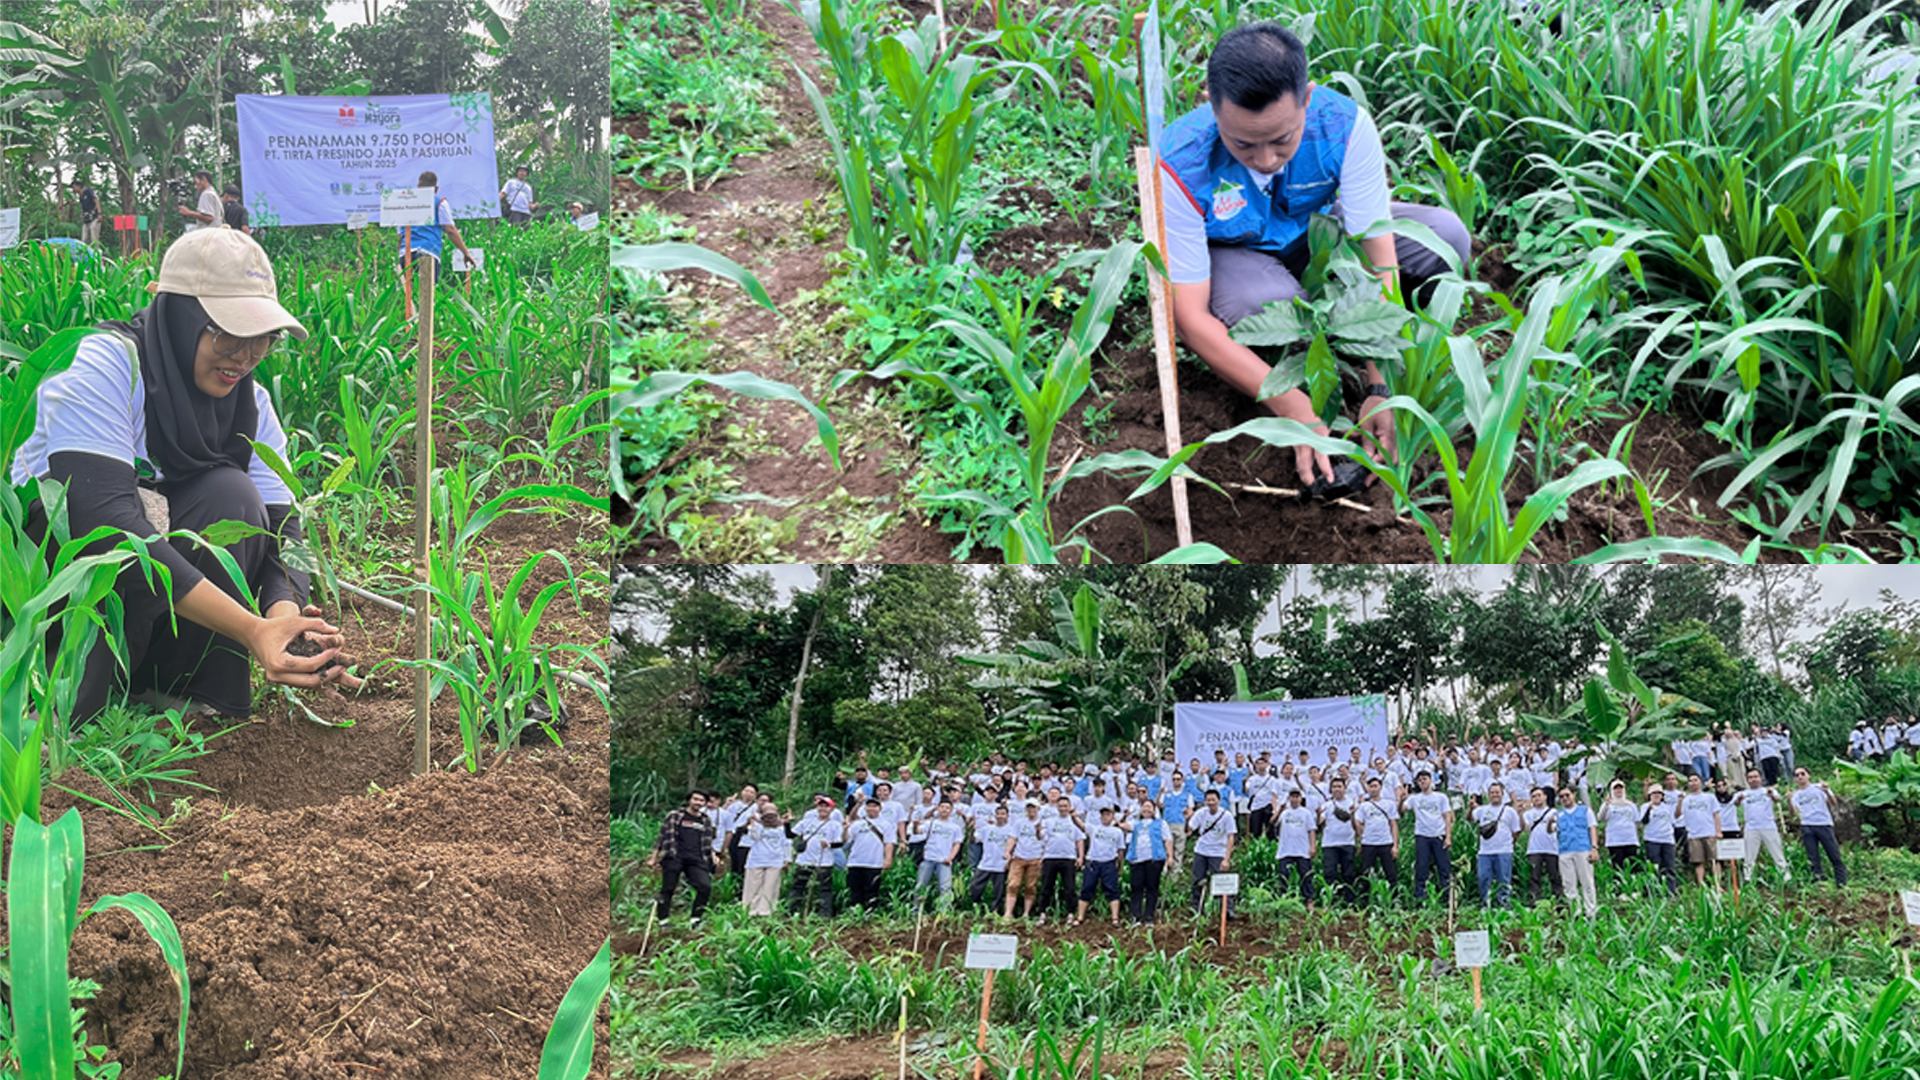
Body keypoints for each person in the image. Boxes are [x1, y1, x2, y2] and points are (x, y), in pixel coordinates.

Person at [12, 227, 359, 722]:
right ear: (180, 317)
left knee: (233, 496)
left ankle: (178, 688)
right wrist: (248, 628)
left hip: (153, 583)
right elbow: (101, 521)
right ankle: (77, 685)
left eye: (263, 338)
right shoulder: (105, 364)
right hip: (61, 580)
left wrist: (284, 619)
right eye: (228, 333)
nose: (245, 355)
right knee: (129, 518)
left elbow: (284, 530)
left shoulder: (250, 404)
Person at [1159, 22, 1472, 489]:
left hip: (1315, 234)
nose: (1266, 159)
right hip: (1234, 255)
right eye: (1243, 143)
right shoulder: (1181, 159)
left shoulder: (1342, 126)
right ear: (1210, 103)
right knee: (1269, 306)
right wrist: (1290, 404)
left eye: (1282, 140)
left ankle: (1334, 325)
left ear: (1306, 98)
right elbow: (1189, 317)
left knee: (1445, 237)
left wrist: (1379, 384)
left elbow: (1378, 257)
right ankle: (1300, 333)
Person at [394, 170, 476, 311]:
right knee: (427, 300)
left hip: (406, 254)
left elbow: (400, 235)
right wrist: (465, 253)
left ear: (418, 186)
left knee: (407, 299)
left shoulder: (405, 204)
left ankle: (409, 330)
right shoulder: (439, 203)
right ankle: (424, 330)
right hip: (428, 253)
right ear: (436, 189)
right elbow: (450, 230)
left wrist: (400, 254)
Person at [650, 791, 720, 926]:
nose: (698, 802)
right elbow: (662, 837)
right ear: (689, 800)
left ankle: (696, 919)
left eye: (701, 800)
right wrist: (654, 857)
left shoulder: (705, 820)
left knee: (705, 886)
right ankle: (663, 920)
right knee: (668, 888)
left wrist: (712, 855)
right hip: (674, 855)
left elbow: (708, 841)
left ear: (705, 804)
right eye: (695, 799)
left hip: (696, 858)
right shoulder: (675, 815)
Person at [1788, 767, 1847, 885]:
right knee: (1813, 858)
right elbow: (1793, 813)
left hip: (1823, 824)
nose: (1800, 777)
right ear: (1794, 779)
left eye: (1802, 774)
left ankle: (1841, 883)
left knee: (1834, 854)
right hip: (1807, 826)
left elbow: (1834, 802)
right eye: (1797, 775)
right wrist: (1789, 801)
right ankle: (1819, 882)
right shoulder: (1796, 795)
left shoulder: (1820, 787)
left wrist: (1827, 791)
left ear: (1808, 775)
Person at [1402, 771, 1453, 902]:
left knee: (1444, 867)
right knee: (1422, 866)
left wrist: (1448, 836)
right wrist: (1403, 798)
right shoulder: (1414, 798)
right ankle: (1420, 897)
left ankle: (1447, 897)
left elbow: (1447, 817)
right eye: (1419, 780)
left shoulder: (1441, 797)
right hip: (1422, 836)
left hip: (1439, 835)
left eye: (1424, 779)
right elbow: (1403, 809)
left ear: (1431, 780)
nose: (1422, 782)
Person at [788, 794, 842, 918]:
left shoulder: (835, 825)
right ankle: (791, 912)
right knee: (798, 886)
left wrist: (828, 844)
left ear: (832, 809)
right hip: (804, 860)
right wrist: (787, 823)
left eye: (826, 806)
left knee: (824, 888)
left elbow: (838, 843)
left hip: (824, 861)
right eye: (821, 806)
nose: (823, 809)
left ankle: (825, 914)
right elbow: (790, 835)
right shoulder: (806, 822)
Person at [1186, 788, 1238, 915]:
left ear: (1218, 800)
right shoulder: (1201, 813)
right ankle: (1197, 908)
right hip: (1202, 850)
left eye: (1213, 800)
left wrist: (1226, 859)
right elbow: (1190, 828)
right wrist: (1188, 818)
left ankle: (1227, 909)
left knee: (1221, 881)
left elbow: (1231, 837)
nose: (1210, 802)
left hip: (1218, 852)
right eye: (1208, 800)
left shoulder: (1227, 816)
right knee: (1197, 880)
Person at [1073, 805, 1127, 927]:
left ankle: (1115, 918)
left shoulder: (1117, 832)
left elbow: (1120, 851)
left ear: (1113, 816)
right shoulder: (1094, 828)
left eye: (1108, 814)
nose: (1105, 817)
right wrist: (1073, 816)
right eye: (1103, 814)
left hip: (1109, 862)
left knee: (1112, 890)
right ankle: (1080, 917)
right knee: (1086, 888)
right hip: (1093, 862)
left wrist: (1120, 866)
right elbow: (1081, 826)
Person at [1550, 785, 1599, 917]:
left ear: (1574, 795)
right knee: (1568, 884)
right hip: (1565, 850)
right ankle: (1576, 912)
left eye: (1567, 795)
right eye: (1561, 797)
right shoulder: (1557, 814)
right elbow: (1551, 830)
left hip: (1583, 849)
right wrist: (1550, 823)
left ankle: (1590, 911)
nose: (1565, 798)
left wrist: (1594, 848)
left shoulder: (1585, 811)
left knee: (1587, 881)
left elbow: (1592, 828)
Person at [1037, 794, 1086, 925]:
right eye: (1061, 806)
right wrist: (1037, 831)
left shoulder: (1074, 822)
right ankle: (1043, 913)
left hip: (1068, 858)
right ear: (1057, 807)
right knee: (1046, 887)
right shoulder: (1049, 821)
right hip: (1050, 857)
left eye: (1065, 806)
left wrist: (1080, 857)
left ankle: (1070, 913)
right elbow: (1041, 837)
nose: (1063, 808)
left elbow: (1079, 840)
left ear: (1070, 807)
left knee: (1070, 888)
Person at [1737, 768, 1791, 885]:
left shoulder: (1768, 791)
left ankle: (1786, 877)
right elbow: (1735, 804)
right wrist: (1739, 799)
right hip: (1751, 828)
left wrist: (1771, 796)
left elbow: (1778, 800)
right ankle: (1748, 878)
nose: (1753, 779)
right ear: (1747, 780)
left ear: (1761, 778)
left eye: (1755, 776)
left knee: (1777, 852)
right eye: (1750, 777)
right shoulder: (1743, 794)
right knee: (1749, 855)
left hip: (1768, 826)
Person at [1471, 782, 1520, 907]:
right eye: (1492, 792)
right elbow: (1470, 819)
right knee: (1483, 878)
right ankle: (1485, 904)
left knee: (1503, 879)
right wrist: (1470, 808)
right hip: (1484, 852)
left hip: (1504, 850)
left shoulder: (1510, 811)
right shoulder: (1482, 810)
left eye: (1497, 792)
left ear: (1502, 794)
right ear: (1488, 795)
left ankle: (1504, 905)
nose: (1495, 795)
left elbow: (1516, 831)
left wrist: (1510, 844)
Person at [913, 800, 966, 913]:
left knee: (945, 888)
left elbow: (957, 844)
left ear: (951, 810)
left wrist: (951, 857)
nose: (944, 810)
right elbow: (917, 832)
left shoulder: (955, 827)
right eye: (942, 807)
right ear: (938, 808)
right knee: (921, 886)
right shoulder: (931, 823)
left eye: (947, 807)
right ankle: (916, 911)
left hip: (944, 861)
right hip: (928, 858)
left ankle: (943, 912)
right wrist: (915, 825)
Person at [1353, 775, 1399, 904]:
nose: (1373, 789)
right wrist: (1362, 838)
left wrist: (1395, 845)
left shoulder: (1388, 804)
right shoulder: (1364, 806)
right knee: (1366, 873)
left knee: (1391, 873)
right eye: (1371, 786)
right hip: (1368, 843)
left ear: (1380, 788)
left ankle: (1394, 901)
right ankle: (1364, 902)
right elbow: (1358, 822)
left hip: (1386, 842)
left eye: (1375, 786)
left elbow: (1394, 824)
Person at [844, 796, 896, 911]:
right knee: (855, 890)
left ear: (880, 808)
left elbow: (889, 843)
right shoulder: (857, 824)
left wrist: (888, 859)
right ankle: (855, 912)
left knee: (872, 890)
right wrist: (845, 829)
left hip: (874, 863)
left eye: (874, 806)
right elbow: (847, 839)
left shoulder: (886, 825)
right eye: (869, 806)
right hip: (855, 862)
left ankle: (870, 912)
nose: (871, 808)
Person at [1123, 799, 1169, 924]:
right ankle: (1135, 916)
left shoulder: (1161, 823)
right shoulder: (1135, 823)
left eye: (1149, 807)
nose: (1147, 809)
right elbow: (1123, 825)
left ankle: (1149, 916)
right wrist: (1126, 815)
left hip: (1154, 859)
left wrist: (1170, 857)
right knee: (1136, 887)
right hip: (1137, 860)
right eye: (1144, 807)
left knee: (1152, 888)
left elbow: (1168, 840)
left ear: (1154, 810)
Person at [740, 807, 791, 917]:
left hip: (775, 860)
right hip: (756, 859)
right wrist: (753, 824)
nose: (770, 818)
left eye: (773, 815)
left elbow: (786, 843)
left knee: (770, 887)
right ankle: (750, 911)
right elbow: (754, 837)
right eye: (767, 815)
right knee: (753, 887)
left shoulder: (781, 827)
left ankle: (766, 912)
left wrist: (787, 859)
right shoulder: (757, 825)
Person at [1318, 775, 1359, 904]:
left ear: (1345, 788)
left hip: (1348, 843)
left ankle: (1350, 902)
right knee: (1330, 873)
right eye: (1334, 787)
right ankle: (1329, 901)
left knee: (1349, 874)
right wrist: (1318, 814)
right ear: (1330, 789)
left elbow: (1357, 825)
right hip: (1330, 844)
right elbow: (1320, 822)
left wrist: (1352, 814)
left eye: (1339, 786)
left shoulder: (1353, 804)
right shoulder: (1327, 805)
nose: (1337, 789)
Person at [967, 802, 1014, 912]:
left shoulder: (1011, 830)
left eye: (1003, 814)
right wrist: (972, 829)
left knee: (998, 891)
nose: (1000, 816)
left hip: (1001, 865)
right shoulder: (987, 829)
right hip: (985, 864)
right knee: (975, 886)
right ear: (995, 815)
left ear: (1008, 816)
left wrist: (1009, 861)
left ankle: (995, 911)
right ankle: (976, 907)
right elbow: (974, 840)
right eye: (998, 814)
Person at [1005, 800, 1048, 919]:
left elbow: (1044, 841)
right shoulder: (1019, 823)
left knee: (1030, 886)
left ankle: (1026, 913)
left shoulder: (1044, 824)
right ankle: (1008, 913)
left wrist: (1043, 857)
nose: (1031, 811)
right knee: (1013, 885)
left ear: (1038, 809)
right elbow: (1012, 838)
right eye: (1029, 808)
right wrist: (1008, 851)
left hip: (1035, 858)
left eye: (1033, 808)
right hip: (1019, 857)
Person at [1678, 775, 1723, 889]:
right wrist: (1680, 800)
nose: (1693, 783)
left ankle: (1718, 885)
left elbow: (1716, 814)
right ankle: (1701, 885)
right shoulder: (1686, 799)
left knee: (1715, 860)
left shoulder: (1709, 797)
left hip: (1709, 832)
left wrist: (1718, 831)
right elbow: (1678, 814)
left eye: (1695, 780)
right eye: (1690, 781)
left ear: (1700, 782)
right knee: (1698, 861)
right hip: (1694, 835)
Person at [1275, 788, 1318, 906]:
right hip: (1285, 850)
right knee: (1283, 875)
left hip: (1302, 849)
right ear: (1289, 798)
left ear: (1301, 798)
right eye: (1292, 797)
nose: (1294, 799)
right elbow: (1273, 822)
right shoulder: (1284, 813)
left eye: (1297, 797)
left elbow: (1312, 830)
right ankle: (1282, 900)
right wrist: (1279, 810)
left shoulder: (1306, 813)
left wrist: (1313, 846)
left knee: (1306, 875)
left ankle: (1309, 900)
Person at [1522, 786, 1560, 906]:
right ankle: (1533, 901)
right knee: (1534, 877)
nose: (1536, 798)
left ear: (1545, 797)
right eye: (1533, 796)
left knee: (1555, 876)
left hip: (1552, 848)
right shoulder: (1528, 814)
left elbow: (1556, 829)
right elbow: (1525, 828)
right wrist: (1520, 813)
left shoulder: (1555, 812)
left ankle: (1559, 901)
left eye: (1539, 795)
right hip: (1534, 848)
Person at [1639, 784, 1679, 896]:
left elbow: (1674, 821)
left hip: (1667, 839)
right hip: (1652, 839)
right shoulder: (1645, 806)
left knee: (1669, 866)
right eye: (1654, 793)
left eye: (1659, 793)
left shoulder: (1667, 807)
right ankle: (1653, 890)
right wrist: (1649, 809)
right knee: (1653, 866)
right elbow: (1643, 821)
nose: (1656, 796)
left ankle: (1670, 891)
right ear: (1649, 795)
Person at [1599, 780, 1640, 876]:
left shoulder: (1631, 805)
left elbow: (1636, 821)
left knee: (1631, 866)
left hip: (1630, 839)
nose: (1618, 790)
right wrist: (1606, 805)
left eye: (1620, 788)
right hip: (1615, 840)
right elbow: (1601, 818)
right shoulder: (1608, 805)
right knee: (1617, 867)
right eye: (1616, 788)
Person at [1162, 770, 1194, 876]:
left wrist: (1188, 826)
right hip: (1167, 824)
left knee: (1178, 851)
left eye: (1178, 779)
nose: (1176, 781)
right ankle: (1164, 874)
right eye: (1174, 779)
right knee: (1165, 849)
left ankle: (1174, 877)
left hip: (1180, 824)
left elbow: (1190, 811)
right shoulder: (1166, 794)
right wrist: (1160, 793)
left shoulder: (1187, 795)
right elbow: (1159, 805)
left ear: (1182, 780)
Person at [177, 169, 221, 233]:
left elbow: (209, 218)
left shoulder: (206, 194)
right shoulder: (213, 194)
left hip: (208, 235)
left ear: (203, 179)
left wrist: (188, 212)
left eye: (196, 182)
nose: (195, 187)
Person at [73, 178, 101, 247]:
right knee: (84, 238)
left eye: (74, 187)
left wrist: (99, 213)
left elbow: (96, 201)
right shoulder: (80, 197)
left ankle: (96, 253)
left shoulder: (88, 191)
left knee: (93, 237)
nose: (73, 189)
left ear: (79, 186)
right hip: (86, 219)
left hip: (94, 217)